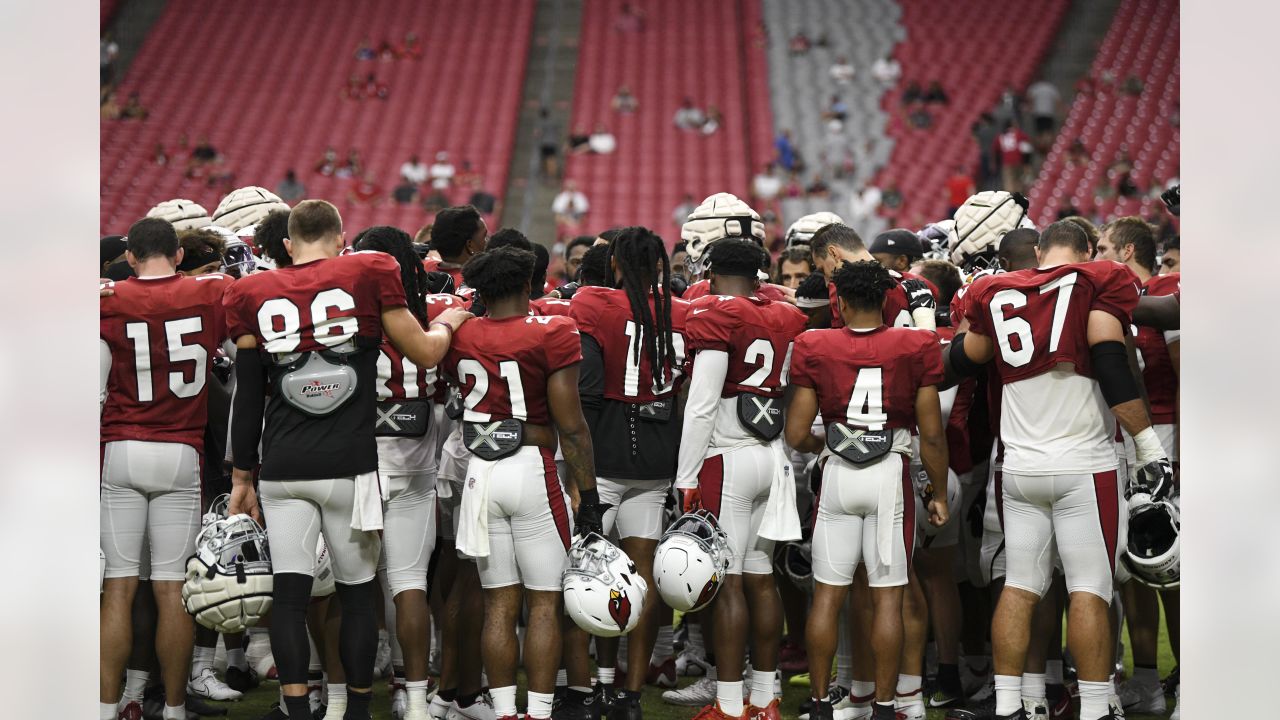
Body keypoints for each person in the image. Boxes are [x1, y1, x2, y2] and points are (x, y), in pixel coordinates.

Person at [222, 200, 472, 720]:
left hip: (283, 466)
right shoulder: (369, 270)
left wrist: (242, 475)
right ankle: (358, 709)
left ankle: (297, 707)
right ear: (341, 240)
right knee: (358, 594)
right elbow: (426, 353)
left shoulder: (249, 291)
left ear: (287, 246)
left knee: (290, 595)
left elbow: (247, 396)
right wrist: (449, 320)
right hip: (349, 464)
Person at [945, 220, 1171, 720]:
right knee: (1090, 586)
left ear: (1039, 250)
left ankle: (1007, 705)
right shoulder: (1097, 278)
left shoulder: (992, 289)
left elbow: (964, 359)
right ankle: (1094, 708)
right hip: (1082, 464)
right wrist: (1147, 444)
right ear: (1089, 251)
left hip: (1019, 467)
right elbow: (1111, 361)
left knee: (1021, 583)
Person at [440, 246, 603, 720]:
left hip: (480, 473)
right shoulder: (553, 329)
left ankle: (505, 710)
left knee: (498, 604)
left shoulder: (462, 333)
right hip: (532, 467)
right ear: (529, 280)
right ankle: (539, 710)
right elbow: (571, 426)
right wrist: (588, 493)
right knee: (546, 604)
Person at [786, 261, 949, 720]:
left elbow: (797, 432)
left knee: (827, 595)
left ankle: (820, 703)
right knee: (888, 597)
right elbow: (932, 435)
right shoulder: (916, 343)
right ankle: (882, 705)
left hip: (838, 473)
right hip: (888, 477)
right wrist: (936, 491)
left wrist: (832, 443)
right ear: (884, 300)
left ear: (838, 300)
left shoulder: (814, 344)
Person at [100, 217, 235, 720]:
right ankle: (174, 708)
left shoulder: (106, 300)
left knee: (118, 587)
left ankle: (105, 707)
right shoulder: (211, 292)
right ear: (178, 254)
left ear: (130, 257)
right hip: (181, 450)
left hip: (121, 447)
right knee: (172, 588)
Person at [675, 239, 808, 720]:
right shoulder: (786, 316)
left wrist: (686, 473)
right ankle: (766, 699)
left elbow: (703, 402)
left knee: (729, 584)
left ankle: (731, 705)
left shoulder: (714, 313)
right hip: (773, 456)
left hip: (727, 455)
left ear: (711, 271)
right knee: (761, 579)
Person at [569, 227, 691, 720]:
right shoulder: (680, 312)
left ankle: (590, 688)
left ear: (616, 264)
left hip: (607, 451)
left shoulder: (594, 303)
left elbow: (589, 389)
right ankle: (631, 695)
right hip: (660, 455)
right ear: (660, 266)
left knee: (587, 577)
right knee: (640, 579)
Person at [352, 226, 457, 720]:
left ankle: (334, 693)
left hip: (355, 462)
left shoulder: (343, 313)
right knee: (409, 582)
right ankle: (412, 694)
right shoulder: (434, 314)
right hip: (416, 459)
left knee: (348, 583)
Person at [1095, 218, 1181, 716]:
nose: (1097, 254)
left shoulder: (1166, 289)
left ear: (1127, 250)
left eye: (1104, 247)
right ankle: (1147, 679)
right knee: (1135, 567)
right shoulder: (1114, 294)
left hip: (1166, 437)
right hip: (1126, 443)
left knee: (1177, 568)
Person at [424, 204, 490, 292]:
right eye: (485, 237)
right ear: (470, 246)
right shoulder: (478, 286)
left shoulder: (419, 269)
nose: (488, 242)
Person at [994, 121, 1031, 193]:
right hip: (1018, 159)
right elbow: (1027, 139)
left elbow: (996, 149)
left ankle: (1010, 197)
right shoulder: (1017, 133)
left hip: (1006, 161)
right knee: (1018, 179)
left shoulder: (1000, 136)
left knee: (1008, 181)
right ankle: (1018, 196)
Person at [537, 108, 561, 179]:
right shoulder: (553, 121)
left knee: (546, 159)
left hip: (545, 143)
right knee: (552, 159)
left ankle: (548, 175)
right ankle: (553, 175)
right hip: (553, 143)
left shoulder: (542, 122)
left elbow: (538, 133)